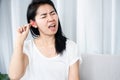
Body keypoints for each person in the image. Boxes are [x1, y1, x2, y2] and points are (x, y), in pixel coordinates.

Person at [9, 0, 81, 80]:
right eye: (44, 16)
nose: (51, 18)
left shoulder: (71, 47)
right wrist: (19, 42)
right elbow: (14, 76)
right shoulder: (27, 47)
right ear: (33, 23)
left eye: (53, 13)